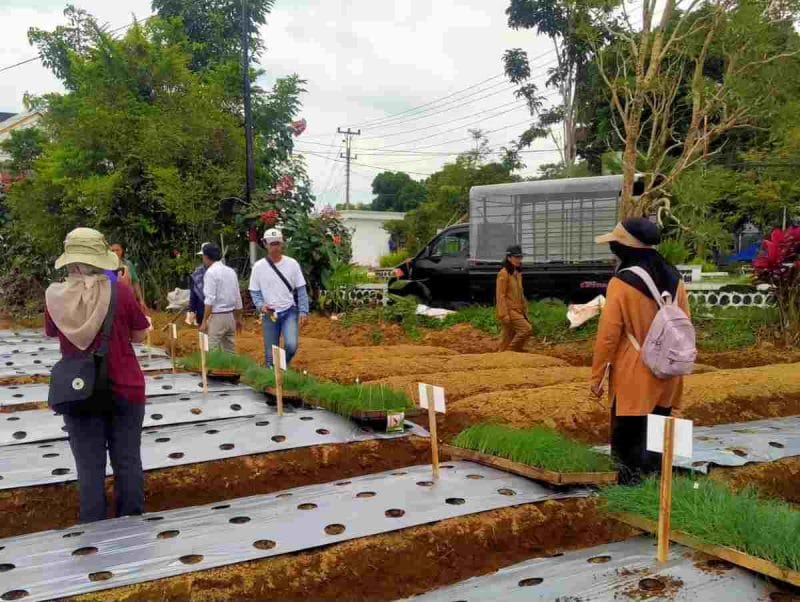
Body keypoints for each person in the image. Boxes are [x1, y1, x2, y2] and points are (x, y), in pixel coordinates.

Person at [45, 228, 150, 523]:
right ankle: (131, 530)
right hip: (125, 388)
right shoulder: (120, 290)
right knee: (127, 460)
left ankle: (94, 539)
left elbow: (54, 332)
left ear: (69, 261)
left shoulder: (56, 296)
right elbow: (140, 334)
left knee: (89, 467)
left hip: (79, 390)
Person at [590, 218, 691, 485]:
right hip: (669, 371)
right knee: (659, 439)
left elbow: (608, 336)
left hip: (634, 372)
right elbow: (684, 325)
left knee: (629, 444)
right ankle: (657, 497)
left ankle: (629, 498)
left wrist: (597, 376)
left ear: (624, 246)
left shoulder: (622, 282)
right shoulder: (675, 277)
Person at [249, 228, 309, 367]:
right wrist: (261, 306)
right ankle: (273, 378)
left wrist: (304, 311)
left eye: (277, 243)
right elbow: (254, 291)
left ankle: (281, 367)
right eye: (271, 244)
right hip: (270, 314)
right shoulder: (258, 267)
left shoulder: (292, 264)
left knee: (291, 345)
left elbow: (301, 289)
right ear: (265, 244)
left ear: (282, 244)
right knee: (270, 355)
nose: (275, 247)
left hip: (289, 311)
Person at [199, 243, 243, 352]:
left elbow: (209, 300)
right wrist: (238, 318)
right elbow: (237, 297)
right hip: (230, 316)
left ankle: (213, 369)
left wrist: (204, 320)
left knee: (211, 349)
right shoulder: (231, 272)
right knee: (230, 350)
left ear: (206, 257)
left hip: (217, 316)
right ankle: (231, 368)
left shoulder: (210, 273)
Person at [496, 244, 532, 352]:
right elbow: (500, 295)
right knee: (526, 330)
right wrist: (504, 314)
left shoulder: (517, 273)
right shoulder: (504, 273)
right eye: (516, 257)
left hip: (519, 309)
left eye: (520, 257)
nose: (519, 260)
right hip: (510, 310)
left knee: (508, 337)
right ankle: (511, 353)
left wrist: (525, 308)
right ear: (509, 258)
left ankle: (501, 358)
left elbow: (520, 293)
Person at [110, 243, 146, 311]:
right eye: (112, 250)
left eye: (117, 250)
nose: (115, 252)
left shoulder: (128, 264)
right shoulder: (106, 265)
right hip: (112, 300)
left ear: (122, 251)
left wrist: (141, 300)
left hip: (128, 298)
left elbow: (135, 282)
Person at [188, 242, 211, 326]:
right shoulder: (197, 273)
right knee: (204, 337)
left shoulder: (219, 272)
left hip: (216, 313)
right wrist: (192, 310)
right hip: (201, 311)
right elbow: (193, 293)